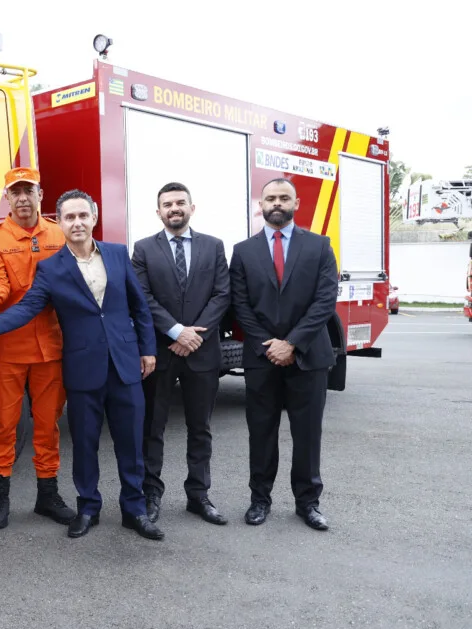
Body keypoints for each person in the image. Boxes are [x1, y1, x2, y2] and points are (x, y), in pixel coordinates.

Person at [0, 189, 164, 541]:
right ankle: (88, 507)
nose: (77, 223)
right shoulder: (52, 268)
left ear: (94, 218)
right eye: (69, 217)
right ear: (61, 223)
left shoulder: (117, 255)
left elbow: (139, 306)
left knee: (131, 442)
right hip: (83, 368)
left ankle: (135, 509)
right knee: (85, 445)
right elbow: (28, 308)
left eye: (82, 216)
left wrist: (147, 349)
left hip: (125, 364)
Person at [0, 167, 75, 531]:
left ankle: (47, 495)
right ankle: (0, 497)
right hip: (9, 344)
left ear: (41, 194)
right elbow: (2, 286)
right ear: (7, 198)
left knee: (48, 425)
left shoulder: (60, 232)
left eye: (29, 191)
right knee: (4, 425)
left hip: (52, 346)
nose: (23, 198)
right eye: (16, 192)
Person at [229, 177, 338, 531]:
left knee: (308, 434)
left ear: (296, 203)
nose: (277, 203)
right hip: (262, 358)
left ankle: (308, 504)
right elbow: (240, 305)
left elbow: (325, 301)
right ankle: (259, 500)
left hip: (308, 357)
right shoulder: (243, 251)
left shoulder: (320, 246)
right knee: (261, 432)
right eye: (270, 198)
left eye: (284, 197)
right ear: (260, 205)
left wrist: (292, 343)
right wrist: (271, 344)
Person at [130, 182, 231, 526]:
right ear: (158, 211)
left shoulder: (214, 246)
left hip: (202, 353)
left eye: (180, 203)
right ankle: (151, 494)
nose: (174, 208)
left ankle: (199, 495)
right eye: (167, 204)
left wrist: (193, 335)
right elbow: (142, 297)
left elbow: (222, 295)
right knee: (152, 428)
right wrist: (176, 331)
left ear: (192, 207)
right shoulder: (143, 249)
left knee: (200, 427)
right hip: (159, 351)